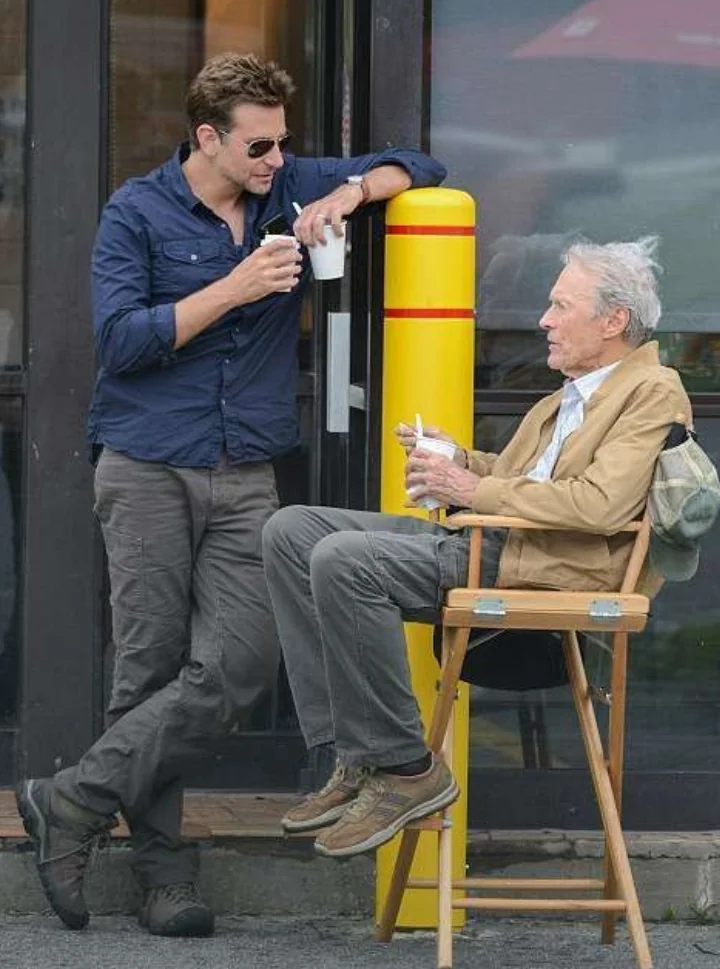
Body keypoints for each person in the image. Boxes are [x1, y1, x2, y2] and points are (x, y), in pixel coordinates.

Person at [15, 52, 446, 936]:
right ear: (206, 138)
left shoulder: (285, 183)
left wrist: (352, 196)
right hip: (146, 464)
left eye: (284, 143)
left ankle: (71, 800)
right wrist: (239, 286)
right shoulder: (135, 212)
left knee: (245, 660)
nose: (278, 160)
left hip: (247, 470)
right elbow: (124, 341)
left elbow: (422, 163)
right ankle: (164, 876)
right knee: (147, 671)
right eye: (259, 145)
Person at [262, 235, 692, 859]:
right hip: (497, 545)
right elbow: (526, 480)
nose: (542, 320)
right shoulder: (568, 396)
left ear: (613, 319)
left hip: (544, 567)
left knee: (343, 562)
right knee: (291, 531)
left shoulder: (651, 391)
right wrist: (456, 458)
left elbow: (599, 504)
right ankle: (350, 757)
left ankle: (406, 768)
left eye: (559, 305)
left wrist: (470, 485)